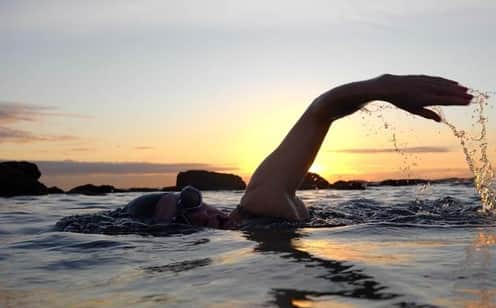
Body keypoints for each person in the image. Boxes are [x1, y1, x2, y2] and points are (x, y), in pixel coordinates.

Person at [126, 74, 472, 229]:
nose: (200, 214)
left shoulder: (260, 200)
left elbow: (322, 110)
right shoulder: (257, 219)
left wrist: (382, 87)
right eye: (183, 218)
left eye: (192, 199)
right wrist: (382, 88)